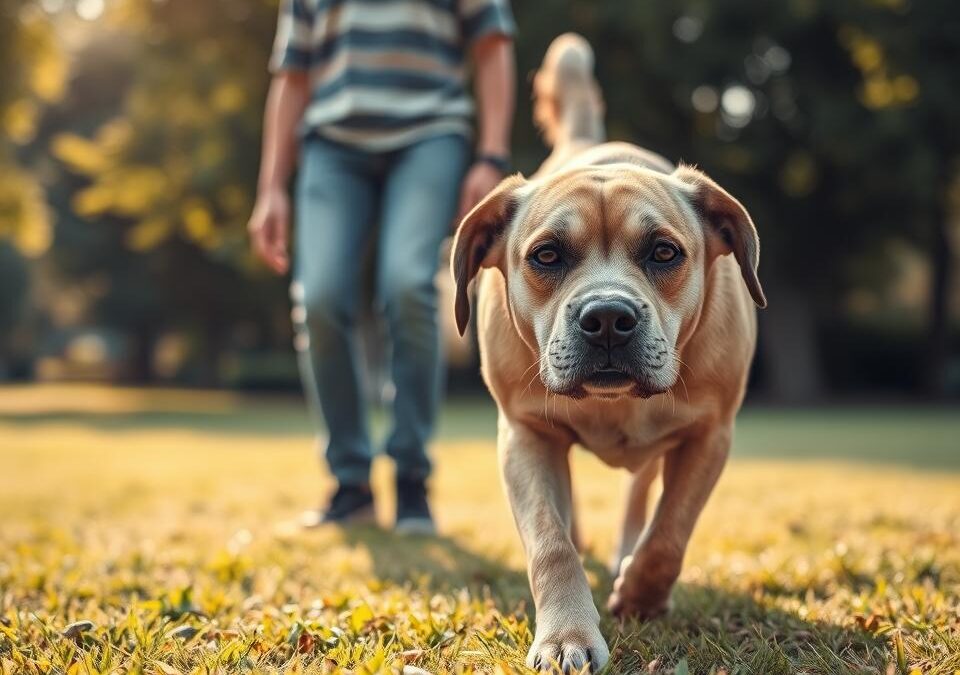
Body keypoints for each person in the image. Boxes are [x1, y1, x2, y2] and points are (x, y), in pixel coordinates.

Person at [248, 0, 516, 534]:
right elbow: (292, 76)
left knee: (407, 285)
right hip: (331, 145)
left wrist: (490, 156)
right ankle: (350, 485)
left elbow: (492, 47)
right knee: (319, 297)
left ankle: (412, 478)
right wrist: (271, 188)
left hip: (429, 135)